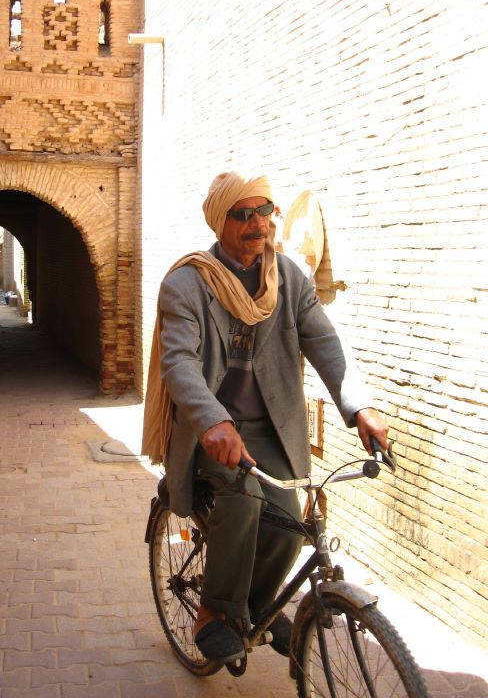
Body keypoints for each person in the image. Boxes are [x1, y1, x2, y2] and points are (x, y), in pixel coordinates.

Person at [142, 170, 389, 664]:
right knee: (245, 496)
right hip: (212, 431)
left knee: (287, 519)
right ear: (220, 223)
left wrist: (358, 405)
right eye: (243, 214)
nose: (258, 223)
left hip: (271, 429)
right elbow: (179, 362)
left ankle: (256, 610)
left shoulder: (289, 277)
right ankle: (214, 613)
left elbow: (325, 343)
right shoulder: (188, 282)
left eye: (265, 211)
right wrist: (214, 421)